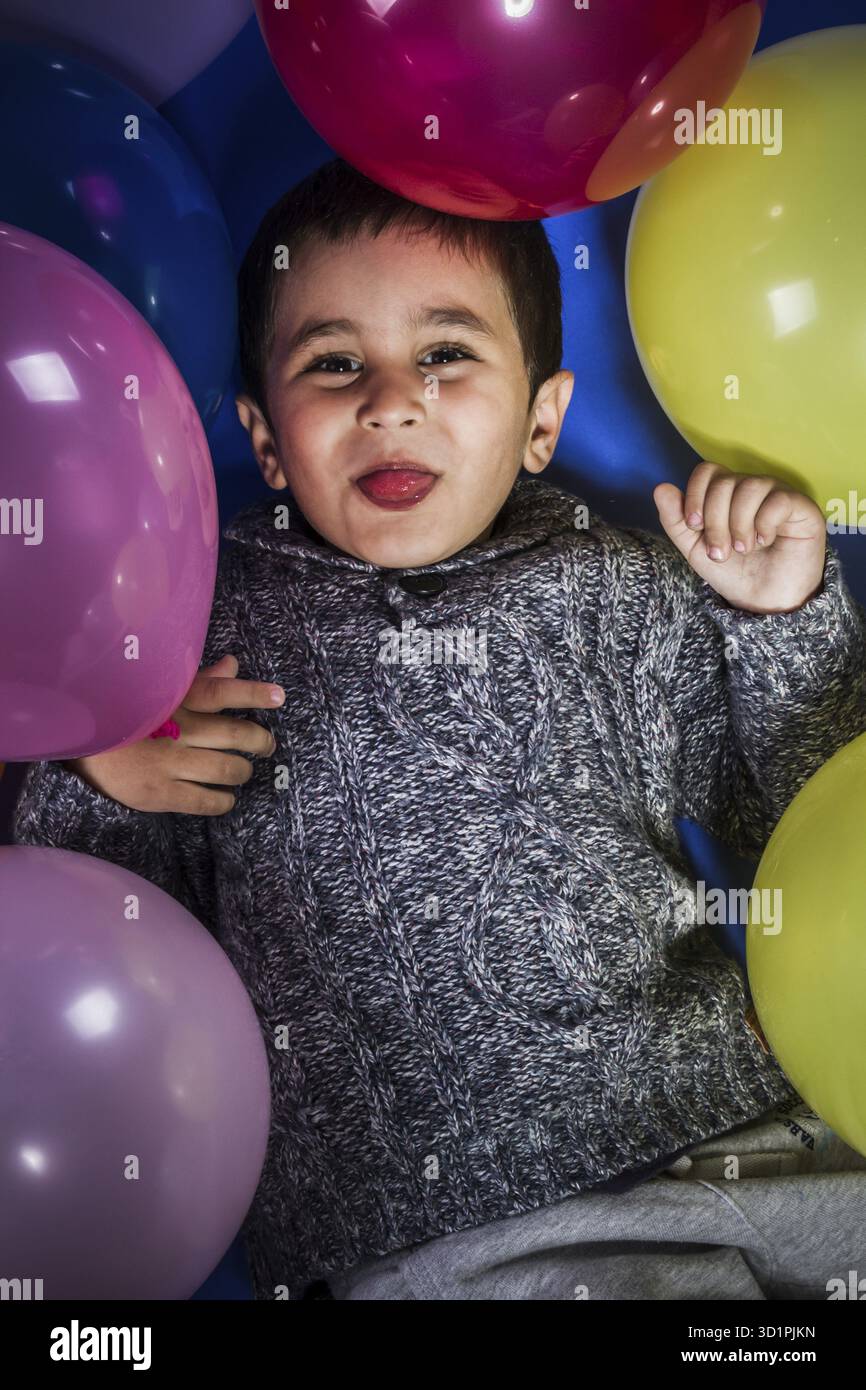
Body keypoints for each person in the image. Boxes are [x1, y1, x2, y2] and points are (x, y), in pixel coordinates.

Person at [14, 157, 866, 1301]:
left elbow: (803, 825)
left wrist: (779, 616)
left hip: (749, 1134)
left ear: (539, 420)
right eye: (333, 364)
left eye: (446, 354)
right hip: (448, 1236)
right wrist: (104, 763)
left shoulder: (615, 591)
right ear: (266, 444)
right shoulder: (194, 627)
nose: (390, 399)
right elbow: (83, 949)